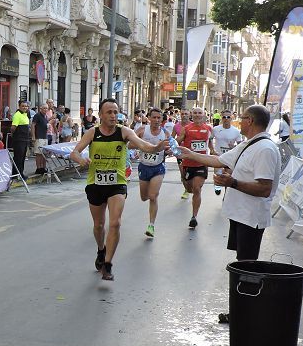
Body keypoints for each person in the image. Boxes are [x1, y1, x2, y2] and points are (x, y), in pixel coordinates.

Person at [177, 104, 282, 322]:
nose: (238, 121)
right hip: (240, 216)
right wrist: (190, 154)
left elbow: (264, 188)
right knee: (242, 263)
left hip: (251, 218)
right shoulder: (248, 145)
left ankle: (244, 314)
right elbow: (219, 160)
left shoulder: (265, 149)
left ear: (250, 121)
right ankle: (240, 310)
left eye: (242, 118)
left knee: (247, 267)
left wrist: (232, 182)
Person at [70, 98, 163, 281]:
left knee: (115, 223)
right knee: (98, 226)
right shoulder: (92, 133)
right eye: (109, 112)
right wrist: (81, 160)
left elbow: (143, 145)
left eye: (116, 112)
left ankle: (108, 263)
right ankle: (101, 249)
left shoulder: (124, 132)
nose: (113, 116)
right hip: (95, 183)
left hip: (117, 183)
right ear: (101, 115)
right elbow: (75, 152)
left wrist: (156, 147)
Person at [176, 107, 215, 228]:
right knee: (189, 188)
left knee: (197, 189)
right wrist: (173, 146)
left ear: (204, 115)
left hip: (201, 163)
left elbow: (210, 142)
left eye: (200, 113)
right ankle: (186, 184)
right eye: (195, 113)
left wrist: (212, 150)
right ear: (192, 115)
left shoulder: (208, 128)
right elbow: (178, 140)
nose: (197, 115)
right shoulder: (186, 128)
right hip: (188, 163)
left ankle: (194, 216)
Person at [134, 107, 170, 238]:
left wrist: (170, 151)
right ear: (149, 118)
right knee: (144, 197)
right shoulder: (142, 130)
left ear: (162, 119)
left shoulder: (165, 133)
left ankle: (151, 225)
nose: (156, 120)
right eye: (154, 117)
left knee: (153, 196)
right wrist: (142, 146)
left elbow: (171, 149)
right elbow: (129, 144)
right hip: (144, 167)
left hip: (158, 167)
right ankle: (149, 195)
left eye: (159, 118)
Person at [10, 99, 31, 176]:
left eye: (26, 106)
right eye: (23, 106)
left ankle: (21, 172)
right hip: (19, 139)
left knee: (22, 157)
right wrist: (14, 134)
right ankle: (16, 174)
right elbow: (13, 127)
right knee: (18, 157)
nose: (25, 107)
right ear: (19, 106)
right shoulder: (17, 115)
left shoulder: (25, 114)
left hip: (25, 139)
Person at [31, 103, 49, 174]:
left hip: (45, 136)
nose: (45, 109)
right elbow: (33, 125)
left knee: (44, 153)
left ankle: (43, 167)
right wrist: (33, 136)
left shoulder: (45, 116)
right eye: (44, 108)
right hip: (39, 137)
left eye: (46, 108)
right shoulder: (37, 115)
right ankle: (38, 168)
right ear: (40, 109)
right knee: (39, 153)